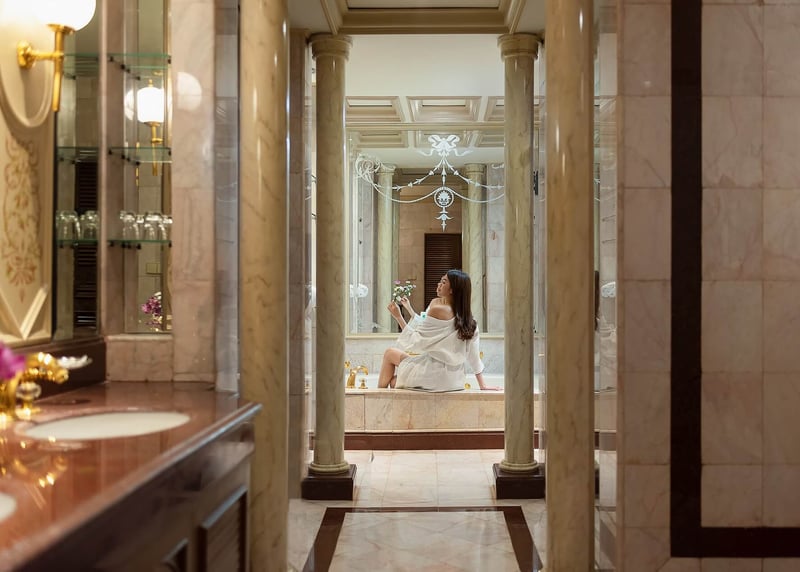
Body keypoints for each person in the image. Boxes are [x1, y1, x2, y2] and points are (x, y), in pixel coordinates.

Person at [377, 269, 500, 391]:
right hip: (455, 380)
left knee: (389, 354)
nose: (439, 284)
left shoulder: (437, 308)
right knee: (394, 382)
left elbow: (416, 342)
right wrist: (483, 385)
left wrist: (398, 317)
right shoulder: (470, 321)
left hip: (434, 374)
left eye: (443, 282)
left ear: (452, 290)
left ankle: (376, 399)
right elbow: (474, 357)